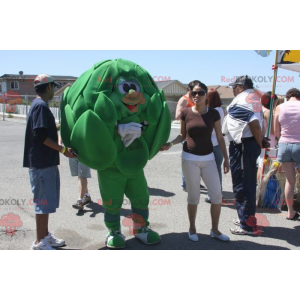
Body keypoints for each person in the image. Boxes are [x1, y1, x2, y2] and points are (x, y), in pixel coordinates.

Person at [161, 80, 230, 242]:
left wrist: (226, 159)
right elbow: (182, 135)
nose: (197, 95)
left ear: (206, 95)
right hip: (189, 159)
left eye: (200, 92)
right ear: (190, 95)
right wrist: (170, 144)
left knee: (216, 196)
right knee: (193, 197)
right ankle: (192, 228)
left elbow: (219, 137)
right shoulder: (185, 113)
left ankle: (215, 230)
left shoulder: (213, 113)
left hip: (209, 159)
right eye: (194, 93)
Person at [23, 74, 77, 250]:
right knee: (42, 204)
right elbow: (40, 135)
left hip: (45, 162)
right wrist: (62, 150)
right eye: (53, 87)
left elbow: (45, 130)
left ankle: (45, 236)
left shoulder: (39, 105)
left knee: (46, 203)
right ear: (47, 88)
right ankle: (39, 243)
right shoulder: (40, 106)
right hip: (41, 164)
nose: (54, 90)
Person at [224, 75, 270, 235]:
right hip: (247, 145)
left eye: (234, 86)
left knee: (242, 185)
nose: (232, 89)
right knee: (247, 183)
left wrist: (258, 141)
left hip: (243, 146)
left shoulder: (244, 99)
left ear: (241, 87)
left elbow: (254, 124)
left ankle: (247, 225)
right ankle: (246, 217)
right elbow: (256, 123)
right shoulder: (254, 98)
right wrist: (260, 140)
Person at [274, 88, 300, 220]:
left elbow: (276, 131)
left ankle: (290, 212)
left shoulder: (280, 107)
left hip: (284, 145)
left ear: (288, 97)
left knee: (290, 181)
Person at [204, 89, 225, 203]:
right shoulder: (221, 110)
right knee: (217, 170)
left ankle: (212, 195)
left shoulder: (210, 111)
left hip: (210, 143)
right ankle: (218, 193)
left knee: (210, 171)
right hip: (219, 143)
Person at [175, 82, 195, 192]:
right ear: (189, 89)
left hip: (197, 135)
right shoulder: (184, 100)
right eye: (194, 90)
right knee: (187, 160)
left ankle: (194, 181)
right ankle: (185, 183)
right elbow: (178, 116)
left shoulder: (196, 99)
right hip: (187, 134)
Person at [257, 92, 278, 182]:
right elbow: (273, 130)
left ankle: (260, 187)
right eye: (275, 103)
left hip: (264, 140)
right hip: (269, 142)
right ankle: (262, 188)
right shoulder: (268, 112)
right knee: (264, 167)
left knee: (261, 165)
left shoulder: (260, 110)